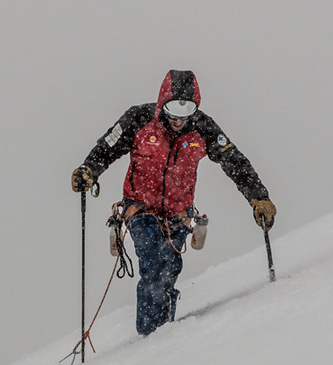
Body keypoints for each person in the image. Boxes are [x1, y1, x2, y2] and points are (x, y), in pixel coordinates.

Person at [71, 69, 276, 336]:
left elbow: (234, 161)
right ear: (161, 103)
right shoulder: (138, 119)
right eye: (173, 108)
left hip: (178, 213)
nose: (180, 118)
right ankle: (151, 336)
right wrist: (89, 170)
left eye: (188, 109)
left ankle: (163, 335)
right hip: (139, 207)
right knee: (154, 261)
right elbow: (107, 147)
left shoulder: (204, 128)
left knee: (168, 267)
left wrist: (258, 196)